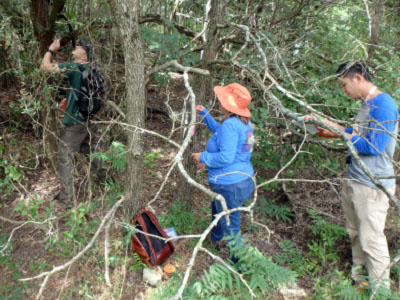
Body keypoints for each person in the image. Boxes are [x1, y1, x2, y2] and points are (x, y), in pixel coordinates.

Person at [318, 61, 398, 289]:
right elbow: (358, 136)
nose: (343, 91)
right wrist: (333, 131)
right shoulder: (366, 104)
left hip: (372, 185)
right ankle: (360, 281)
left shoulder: (383, 105)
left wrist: (340, 133)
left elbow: (374, 147)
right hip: (355, 179)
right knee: (355, 233)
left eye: (344, 85)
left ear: (358, 79)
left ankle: (381, 291)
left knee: (371, 239)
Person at [192, 83, 255, 263]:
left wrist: (202, 156)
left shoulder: (230, 125)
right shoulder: (243, 123)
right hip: (243, 180)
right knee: (217, 206)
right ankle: (216, 238)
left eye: (222, 98)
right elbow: (221, 134)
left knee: (231, 225)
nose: (219, 100)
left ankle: (241, 266)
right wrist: (205, 115)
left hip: (229, 183)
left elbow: (225, 157)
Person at [40, 39, 103, 206]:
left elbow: (45, 67)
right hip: (89, 120)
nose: (77, 46)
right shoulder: (93, 70)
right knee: (92, 154)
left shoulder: (73, 68)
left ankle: (66, 198)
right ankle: (107, 183)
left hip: (74, 123)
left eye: (81, 47)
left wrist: (51, 50)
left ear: (84, 57)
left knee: (65, 158)